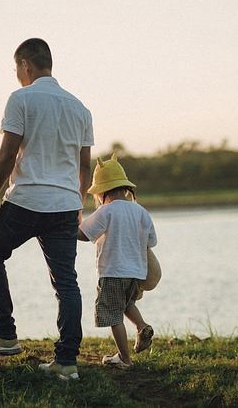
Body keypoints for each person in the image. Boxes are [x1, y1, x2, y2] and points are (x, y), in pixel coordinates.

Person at [0, 38, 93, 381]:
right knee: (66, 283)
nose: (16, 76)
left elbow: (7, 153)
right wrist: (77, 201)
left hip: (27, 199)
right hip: (65, 205)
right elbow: (85, 167)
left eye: (16, 69)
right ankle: (67, 362)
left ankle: (5, 334)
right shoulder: (80, 107)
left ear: (26, 65)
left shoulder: (21, 99)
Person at [78, 154, 156, 369]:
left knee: (113, 316)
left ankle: (124, 358)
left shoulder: (107, 210)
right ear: (125, 187)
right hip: (136, 272)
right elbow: (151, 241)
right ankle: (142, 326)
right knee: (126, 304)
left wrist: (67, 227)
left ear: (102, 191)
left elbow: (84, 234)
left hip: (113, 271)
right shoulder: (141, 211)